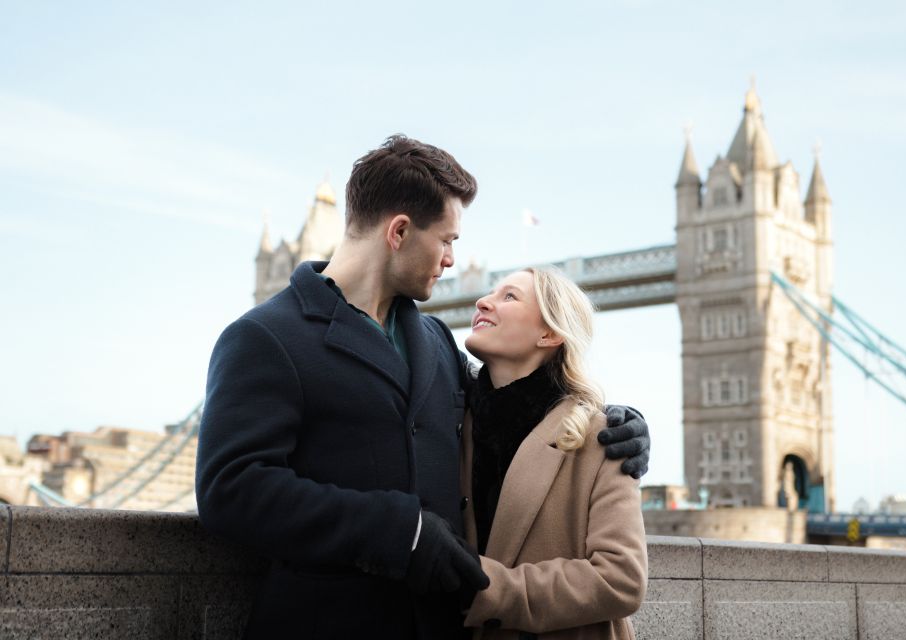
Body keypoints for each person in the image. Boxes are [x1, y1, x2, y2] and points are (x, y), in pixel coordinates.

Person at [195, 135, 650, 639]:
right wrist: (396, 530)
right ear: (400, 231)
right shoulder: (265, 336)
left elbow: (511, 398)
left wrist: (612, 420)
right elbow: (230, 490)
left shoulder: (434, 340)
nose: (453, 259)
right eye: (448, 240)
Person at [459, 267, 647, 639]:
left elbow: (623, 578)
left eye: (509, 296)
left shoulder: (598, 437)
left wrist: (489, 590)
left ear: (549, 333)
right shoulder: (452, 425)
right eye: (491, 294)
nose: (483, 301)